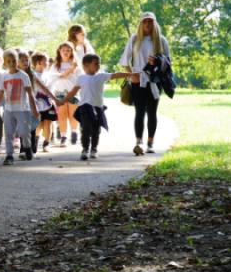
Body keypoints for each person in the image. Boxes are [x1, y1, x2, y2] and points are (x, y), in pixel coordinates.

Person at [63, 53, 133, 161]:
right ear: (86, 65)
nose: (98, 66)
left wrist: (129, 74)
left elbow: (115, 75)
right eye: (96, 64)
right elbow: (73, 91)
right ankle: (85, 149)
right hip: (84, 107)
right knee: (85, 128)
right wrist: (63, 100)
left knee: (96, 130)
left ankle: (94, 149)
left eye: (99, 63)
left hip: (98, 108)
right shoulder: (81, 78)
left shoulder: (101, 76)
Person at [119, 12, 172, 155]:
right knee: (139, 112)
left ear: (154, 24)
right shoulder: (134, 39)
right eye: (145, 21)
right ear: (141, 23)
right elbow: (125, 60)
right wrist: (132, 75)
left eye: (150, 21)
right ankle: (139, 142)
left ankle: (150, 142)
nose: (147, 24)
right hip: (138, 81)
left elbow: (168, 63)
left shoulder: (161, 41)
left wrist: (157, 63)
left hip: (155, 81)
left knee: (152, 112)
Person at [0, 48, 39, 165]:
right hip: (9, 110)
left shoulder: (23, 76)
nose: (11, 64)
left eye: (14, 61)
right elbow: (0, 94)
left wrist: (34, 109)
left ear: (17, 61)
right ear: (5, 63)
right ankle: (9, 155)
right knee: (9, 132)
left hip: (23, 109)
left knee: (24, 132)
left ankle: (27, 147)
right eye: (8, 61)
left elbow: (30, 93)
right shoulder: (4, 77)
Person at [53, 42, 80, 147]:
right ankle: (63, 137)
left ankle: (74, 132)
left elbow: (80, 78)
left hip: (73, 92)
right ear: (59, 51)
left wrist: (73, 69)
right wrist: (70, 70)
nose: (66, 52)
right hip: (60, 93)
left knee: (73, 115)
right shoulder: (56, 65)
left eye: (68, 50)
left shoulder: (76, 64)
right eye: (63, 50)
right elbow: (59, 76)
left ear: (72, 52)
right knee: (62, 115)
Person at [31, 52, 59, 153]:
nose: (47, 62)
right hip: (37, 104)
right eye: (45, 61)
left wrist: (52, 98)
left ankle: (46, 143)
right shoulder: (32, 75)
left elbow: (52, 87)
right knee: (38, 124)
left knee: (48, 123)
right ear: (38, 62)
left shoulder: (49, 75)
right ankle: (35, 140)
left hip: (48, 103)